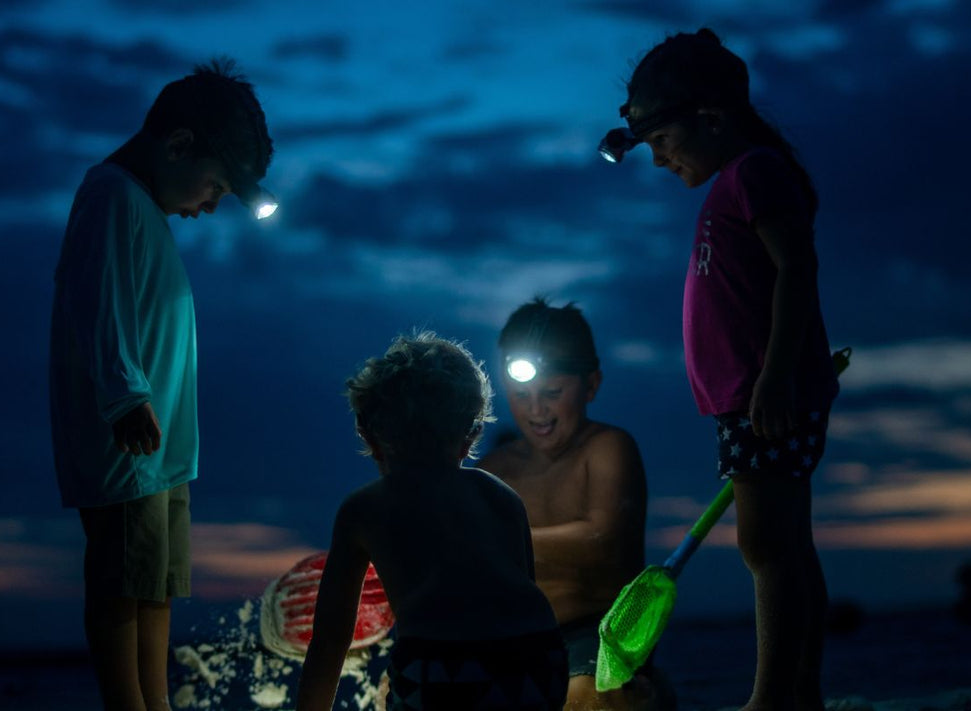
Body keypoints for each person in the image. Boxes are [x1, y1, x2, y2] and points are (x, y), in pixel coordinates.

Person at [599, 29, 841, 711]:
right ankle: (803, 695)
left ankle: (771, 701)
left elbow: (797, 268)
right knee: (787, 543)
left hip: (767, 396)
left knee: (768, 545)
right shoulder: (738, 181)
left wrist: (773, 375)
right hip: (751, 398)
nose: (657, 160)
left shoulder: (755, 171)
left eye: (661, 141)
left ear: (708, 118)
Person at [48, 59, 274, 711]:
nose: (207, 208)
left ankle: (157, 699)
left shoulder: (139, 207)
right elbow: (100, 302)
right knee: (122, 582)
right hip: (129, 448)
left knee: (154, 582)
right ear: (178, 145)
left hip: (161, 453)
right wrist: (123, 396)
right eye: (213, 189)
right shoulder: (112, 195)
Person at [295, 332, 568, 711]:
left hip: (442, 664)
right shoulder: (500, 495)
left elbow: (330, 641)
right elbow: (522, 589)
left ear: (370, 435)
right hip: (539, 658)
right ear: (471, 434)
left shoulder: (365, 508)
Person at [475, 298, 674, 711]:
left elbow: (602, 538)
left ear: (592, 384)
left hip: (599, 634)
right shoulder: (493, 467)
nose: (536, 409)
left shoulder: (607, 448)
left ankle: (639, 692)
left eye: (551, 392)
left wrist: (498, 537)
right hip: (514, 639)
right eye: (521, 394)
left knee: (582, 702)